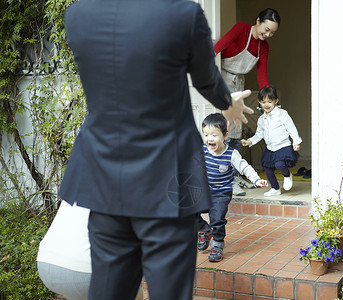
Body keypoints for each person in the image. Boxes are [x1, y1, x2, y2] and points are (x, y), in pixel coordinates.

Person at [60, 1, 253, 299]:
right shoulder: (183, 14)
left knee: (108, 291)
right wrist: (229, 102)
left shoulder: (77, 15)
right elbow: (206, 79)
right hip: (167, 181)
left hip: (104, 179)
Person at [214, 8, 281, 196]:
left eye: (272, 32)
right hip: (223, 79)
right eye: (265, 29)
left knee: (236, 131)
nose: (267, 34)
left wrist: (268, 101)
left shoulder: (264, 47)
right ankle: (227, 179)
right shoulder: (242, 29)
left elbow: (262, 76)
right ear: (258, 20)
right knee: (225, 129)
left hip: (239, 84)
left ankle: (235, 175)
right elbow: (218, 47)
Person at [37, 201, 144, 300]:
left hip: (45, 262)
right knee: (136, 294)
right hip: (83, 271)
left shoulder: (79, 183)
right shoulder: (124, 190)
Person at [197, 113, 268, 262]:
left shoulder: (231, 154)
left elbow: (245, 168)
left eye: (214, 135)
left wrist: (256, 180)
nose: (210, 139)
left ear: (225, 135)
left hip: (221, 193)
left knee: (217, 219)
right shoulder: (202, 150)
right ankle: (204, 229)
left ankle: (217, 244)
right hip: (204, 191)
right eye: (206, 134)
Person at [241, 85, 301, 196]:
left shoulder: (282, 114)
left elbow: (291, 128)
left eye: (270, 101)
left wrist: (296, 142)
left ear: (276, 101)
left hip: (283, 145)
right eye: (264, 102)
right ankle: (275, 188)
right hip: (270, 148)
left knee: (279, 164)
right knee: (268, 169)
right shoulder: (261, 119)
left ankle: (287, 175)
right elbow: (259, 134)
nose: (267, 105)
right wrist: (249, 141)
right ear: (259, 102)